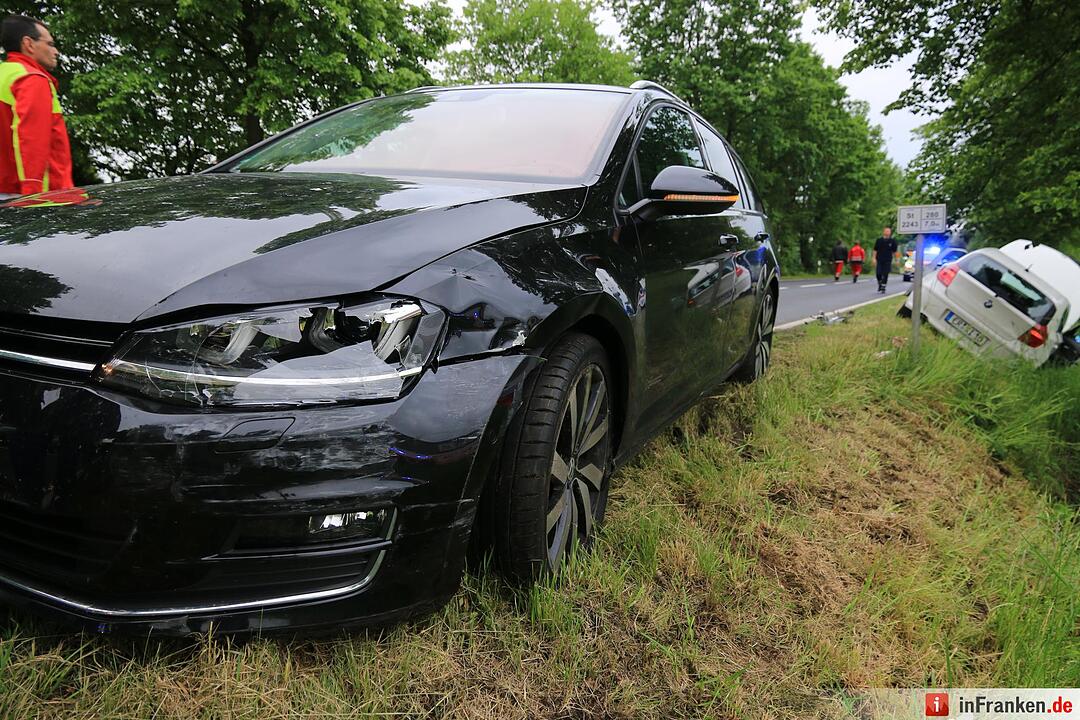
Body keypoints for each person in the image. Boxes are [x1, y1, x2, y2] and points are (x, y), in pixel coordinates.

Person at [0, 15, 73, 198]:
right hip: (30, 197)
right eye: (50, 44)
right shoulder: (32, 78)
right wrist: (32, 195)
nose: (56, 51)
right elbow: (31, 138)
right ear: (29, 44)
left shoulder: (4, 74)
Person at [873, 226, 898, 293]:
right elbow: (875, 250)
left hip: (888, 260)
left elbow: (895, 251)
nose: (887, 232)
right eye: (886, 231)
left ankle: (883, 286)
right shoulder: (879, 240)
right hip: (879, 259)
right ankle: (880, 283)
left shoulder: (892, 241)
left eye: (888, 231)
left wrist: (896, 260)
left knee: (886, 273)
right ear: (883, 232)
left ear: (890, 232)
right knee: (878, 273)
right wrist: (874, 258)